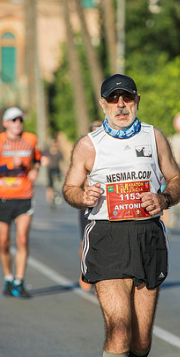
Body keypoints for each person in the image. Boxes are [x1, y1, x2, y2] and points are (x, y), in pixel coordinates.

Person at [62, 74, 180, 357]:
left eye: (126, 99)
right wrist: (83, 195)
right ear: (103, 105)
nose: (120, 105)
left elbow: (177, 179)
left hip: (147, 236)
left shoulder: (154, 137)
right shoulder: (88, 145)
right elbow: (69, 187)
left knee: (141, 338)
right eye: (113, 99)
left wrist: (163, 199)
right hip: (107, 237)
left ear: (136, 101)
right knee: (118, 328)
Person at [0, 107, 41, 299]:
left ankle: (19, 281)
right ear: (5, 123)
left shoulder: (31, 139)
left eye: (20, 119)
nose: (18, 123)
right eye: (13, 120)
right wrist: (11, 164)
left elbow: (37, 157)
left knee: (22, 240)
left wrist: (36, 169)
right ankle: (8, 277)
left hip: (24, 197)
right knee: (3, 243)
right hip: (2, 198)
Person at [78, 120, 103, 292]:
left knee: (105, 244)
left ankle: (102, 278)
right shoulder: (82, 153)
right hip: (87, 206)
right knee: (85, 242)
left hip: (106, 205)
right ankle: (85, 267)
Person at [43, 138, 64, 209]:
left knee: (57, 185)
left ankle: (57, 196)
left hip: (57, 169)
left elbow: (61, 162)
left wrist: (63, 171)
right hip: (50, 170)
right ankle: (50, 199)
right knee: (50, 186)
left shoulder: (59, 152)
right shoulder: (47, 152)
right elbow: (44, 160)